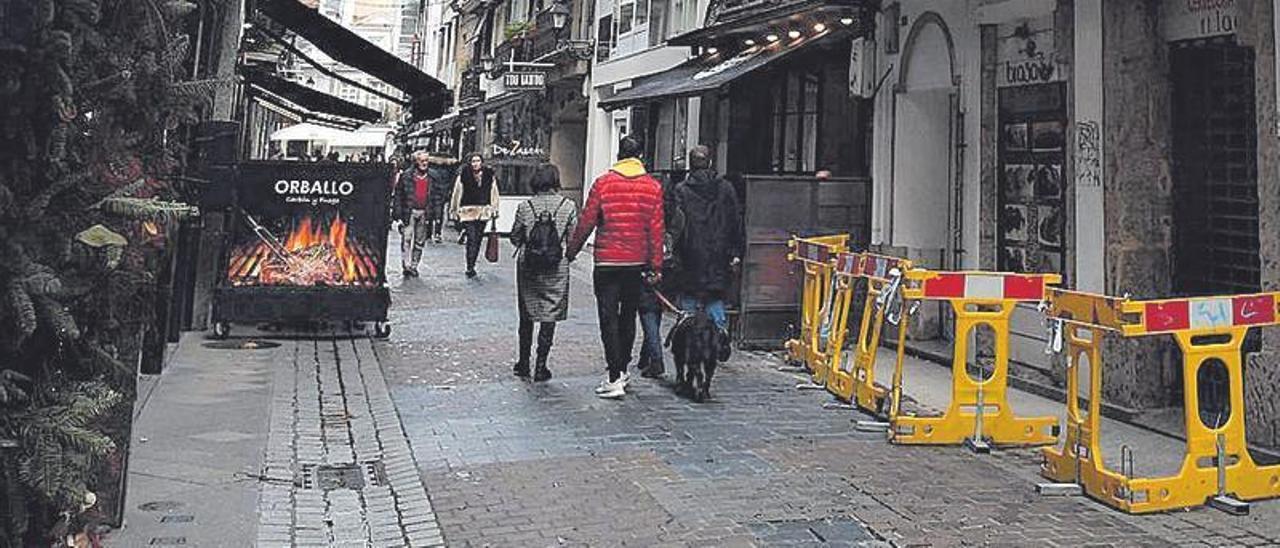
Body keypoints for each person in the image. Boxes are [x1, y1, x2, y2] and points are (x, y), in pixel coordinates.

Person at [565, 136, 664, 399]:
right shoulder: (652, 187)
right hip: (636, 262)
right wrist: (656, 266)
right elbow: (656, 231)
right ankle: (623, 370)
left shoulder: (603, 184)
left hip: (607, 261)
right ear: (640, 155)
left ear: (619, 155)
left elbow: (586, 222)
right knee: (628, 315)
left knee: (607, 317)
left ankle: (614, 375)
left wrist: (572, 251)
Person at [508, 164, 578, 382]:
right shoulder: (568, 205)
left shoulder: (525, 206)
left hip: (528, 265)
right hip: (557, 267)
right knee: (550, 315)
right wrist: (568, 255)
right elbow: (573, 237)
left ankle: (523, 362)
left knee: (527, 313)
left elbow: (515, 237)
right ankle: (541, 365)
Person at [672, 145, 742, 331]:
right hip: (718, 253)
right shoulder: (725, 188)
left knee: (689, 296)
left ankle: (687, 332)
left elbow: (676, 226)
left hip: (690, 254)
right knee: (714, 296)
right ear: (710, 162)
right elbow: (735, 220)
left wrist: (675, 253)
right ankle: (719, 333)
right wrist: (735, 251)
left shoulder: (681, 190)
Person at [637, 172, 685, 379]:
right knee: (655, 311)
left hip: (649, 265)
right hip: (672, 268)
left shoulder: (647, 212)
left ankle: (655, 359)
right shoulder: (679, 215)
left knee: (648, 312)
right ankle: (645, 355)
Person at [393, 151, 449, 277]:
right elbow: (398, 195)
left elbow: (437, 197)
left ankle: (414, 265)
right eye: (422, 161)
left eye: (426, 161)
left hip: (425, 212)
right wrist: (397, 214)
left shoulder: (433, 176)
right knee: (406, 238)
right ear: (416, 162)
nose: (424, 163)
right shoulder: (407, 176)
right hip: (409, 211)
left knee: (420, 241)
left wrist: (437, 215)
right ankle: (406, 265)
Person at [449, 153, 500, 278]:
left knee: (478, 238)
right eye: (473, 161)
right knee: (471, 238)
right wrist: (454, 210)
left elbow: (494, 192)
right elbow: (457, 192)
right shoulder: (464, 175)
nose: (476, 163)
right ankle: (470, 265)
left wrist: (495, 209)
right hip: (468, 210)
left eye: (478, 161)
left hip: (483, 210)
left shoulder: (489, 174)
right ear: (469, 163)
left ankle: (473, 261)